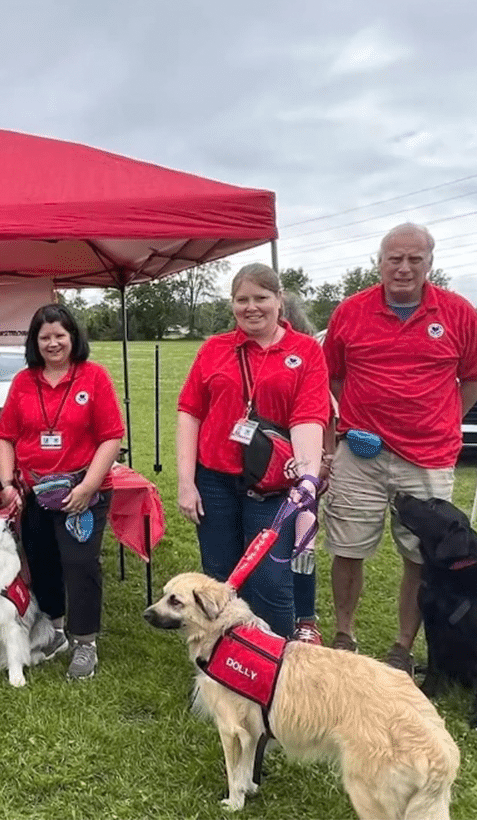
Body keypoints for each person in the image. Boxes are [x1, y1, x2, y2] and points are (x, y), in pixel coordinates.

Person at [323, 222, 477, 675]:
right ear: (380, 262)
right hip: (360, 452)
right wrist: (350, 423)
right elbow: (335, 375)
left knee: (420, 554)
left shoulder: (458, 313)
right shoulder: (350, 311)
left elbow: (471, 378)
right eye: (395, 259)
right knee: (347, 546)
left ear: (431, 263)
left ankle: (402, 647)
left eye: (415, 259)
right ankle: (344, 636)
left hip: (428, 455)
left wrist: (442, 417)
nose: (404, 268)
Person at [177, 264, 329, 638]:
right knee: (219, 575)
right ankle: (225, 655)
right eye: (242, 300)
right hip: (213, 480)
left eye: (261, 298)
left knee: (271, 579)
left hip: (274, 486)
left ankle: (278, 661)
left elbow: (309, 416)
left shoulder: (305, 351)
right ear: (232, 304)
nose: (251, 307)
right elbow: (189, 413)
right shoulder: (214, 349)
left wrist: (307, 480)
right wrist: (185, 482)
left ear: (279, 300)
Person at [0, 303, 124, 680]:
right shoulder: (24, 381)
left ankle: (85, 642)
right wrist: (6, 483)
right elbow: (5, 435)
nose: (53, 343)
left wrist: (88, 486)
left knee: (80, 564)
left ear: (73, 338)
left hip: (83, 488)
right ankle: (54, 631)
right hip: (36, 489)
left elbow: (111, 437)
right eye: (45, 337)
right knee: (42, 560)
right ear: (35, 342)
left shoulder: (93, 377)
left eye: (59, 336)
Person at [280, 292, 334, 645]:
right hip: (261, 476)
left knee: (302, 546)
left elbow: (327, 419)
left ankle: (305, 618)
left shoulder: (309, 361)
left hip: (303, 479)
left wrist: (324, 462)